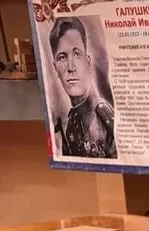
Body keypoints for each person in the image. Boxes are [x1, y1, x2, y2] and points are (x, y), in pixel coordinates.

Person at [49, 17, 116, 158]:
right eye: (62, 57)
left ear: (88, 62)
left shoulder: (104, 116)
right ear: (55, 67)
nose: (71, 67)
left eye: (77, 54)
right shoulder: (69, 124)